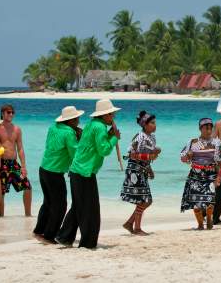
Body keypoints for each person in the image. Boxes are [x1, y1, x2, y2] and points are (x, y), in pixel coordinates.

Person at [55, 99, 121, 248]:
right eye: (111, 114)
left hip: (77, 170)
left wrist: (110, 135)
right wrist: (115, 137)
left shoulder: (92, 125)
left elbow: (93, 145)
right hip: (84, 172)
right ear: (104, 115)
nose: (113, 117)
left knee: (80, 205)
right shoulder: (99, 127)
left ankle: (64, 237)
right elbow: (103, 150)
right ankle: (87, 243)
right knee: (90, 209)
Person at [33, 106, 83, 244]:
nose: (79, 120)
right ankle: (49, 236)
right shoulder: (69, 133)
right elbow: (75, 153)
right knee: (60, 205)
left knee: (48, 202)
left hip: (43, 168)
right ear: (71, 120)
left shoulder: (53, 127)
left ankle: (39, 230)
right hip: (55, 172)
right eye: (77, 118)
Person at [121, 110, 161, 236]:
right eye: (152, 123)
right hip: (135, 170)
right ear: (145, 125)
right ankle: (136, 228)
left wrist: (150, 168)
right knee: (145, 200)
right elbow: (132, 154)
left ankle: (130, 223)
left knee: (145, 200)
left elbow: (147, 156)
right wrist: (151, 156)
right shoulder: (140, 137)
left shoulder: (152, 138)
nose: (155, 125)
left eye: (155, 123)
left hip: (142, 170)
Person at [180, 118, 221, 230]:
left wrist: (219, 177)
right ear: (200, 128)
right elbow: (183, 158)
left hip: (211, 174)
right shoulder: (193, 142)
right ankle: (200, 224)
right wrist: (188, 155)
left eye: (210, 127)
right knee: (196, 204)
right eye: (206, 127)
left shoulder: (217, 142)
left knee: (210, 201)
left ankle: (209, 218)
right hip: (195, 175)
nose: (209, 129)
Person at [0, 104, 32, 216]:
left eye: (12, 112)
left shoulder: (17, 129)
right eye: (8, 112)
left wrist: (23, 166)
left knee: (27, 187)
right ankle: (1, 217)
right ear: (3, 113)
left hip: (14, 164)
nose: (11, 114)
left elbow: (20, 148)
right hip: (1, 164)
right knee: (1, 192)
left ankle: (28, 215)